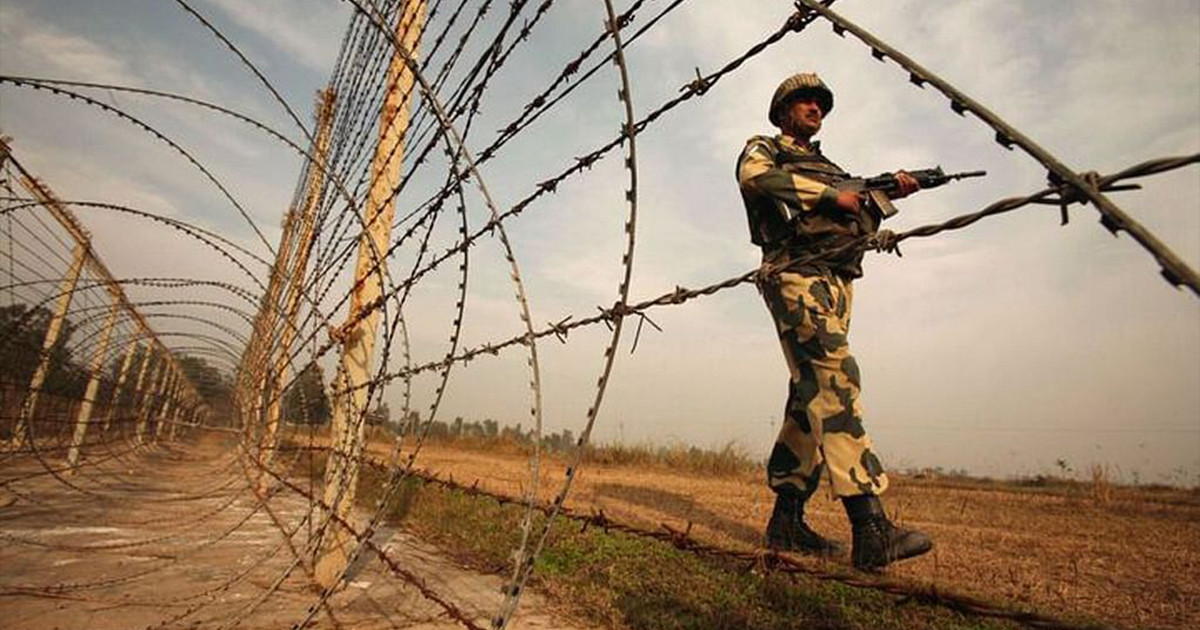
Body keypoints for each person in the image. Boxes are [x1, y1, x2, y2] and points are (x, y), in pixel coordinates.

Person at [736, 72, 932, 570]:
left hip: (838, 280)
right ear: (783, 111)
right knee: (836, 380)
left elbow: (853, 221)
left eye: (819, 102)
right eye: (803, 101)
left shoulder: (831, 167)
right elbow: (754, 178)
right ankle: (870, 526)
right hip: (793, 273)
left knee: (810, 396)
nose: (813, 107)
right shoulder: (766, 148)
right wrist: (830, 196)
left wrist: (885, 198)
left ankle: (786, 520)